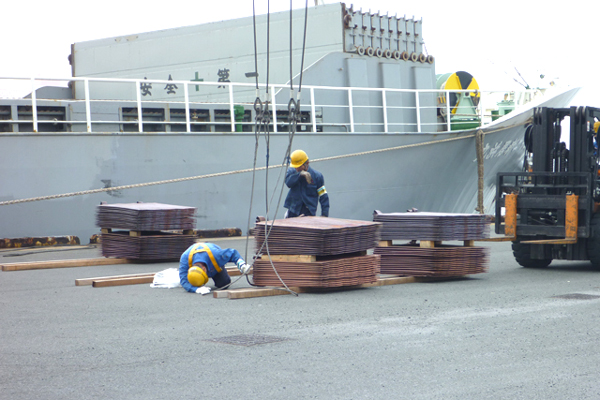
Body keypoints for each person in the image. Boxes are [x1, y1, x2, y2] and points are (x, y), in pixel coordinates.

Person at [179, 242, 250, 294]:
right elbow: (184, 281)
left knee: (224, 284)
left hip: (214, 263)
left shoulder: (216, 255)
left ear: (204, 268)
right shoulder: (185, 259)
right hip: (201, 260)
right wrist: (196, 289)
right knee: (193, 283)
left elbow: (232, 253)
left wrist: (242, 265)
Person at [284, 149, 330, 218]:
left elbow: (323, 196)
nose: (297, 169)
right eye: (295, 167)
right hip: (293, 210)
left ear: (307, 163)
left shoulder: (317, 176)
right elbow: (288, 183)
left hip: (308, 212)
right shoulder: (292, 172)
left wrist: (324, 214)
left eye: (299, 166)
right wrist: (299, 174)